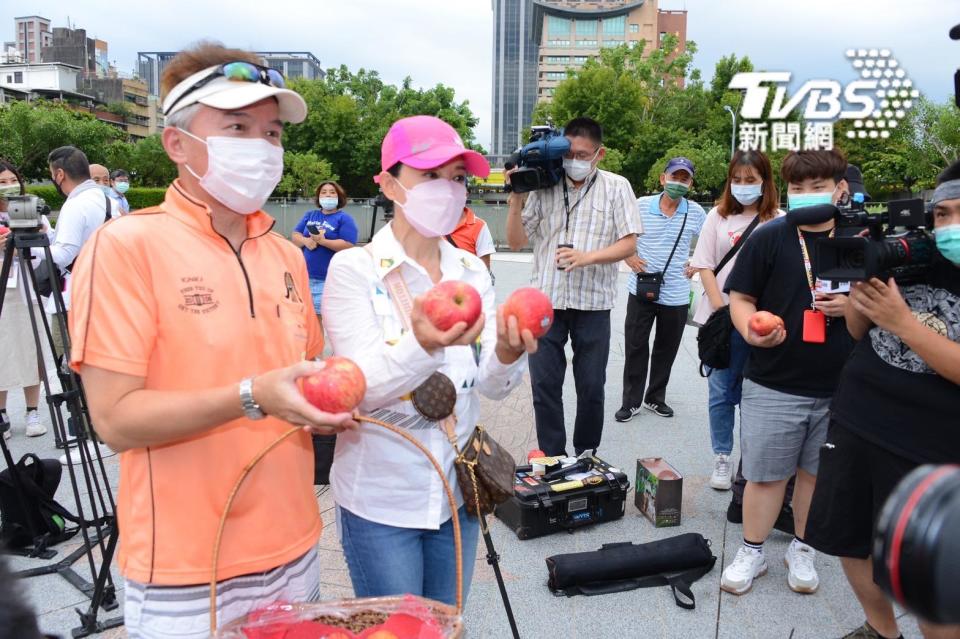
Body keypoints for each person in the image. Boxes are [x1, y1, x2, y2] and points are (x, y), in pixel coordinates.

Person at [67, 42, 357, 638]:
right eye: (237, 126)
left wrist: (316, 408)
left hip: (295, 545)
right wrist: (253, 394)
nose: (262, 147)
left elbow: (296, 376)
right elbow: (116, 420)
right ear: (177, 143)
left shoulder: (285, 254)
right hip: (185, 567)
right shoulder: (124, 248)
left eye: (273, 133)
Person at [323, 115, 537, 605]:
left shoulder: (469, 271)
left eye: (458, 178)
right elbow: (358, 385)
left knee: (448, 622)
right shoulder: (354, 270)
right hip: (380, 498)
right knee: (397, 631)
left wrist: (506, 353)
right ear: (389, 183)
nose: (448, 189)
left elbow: (489, 385)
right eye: (430, 175)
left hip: (456, 493)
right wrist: (425, 343)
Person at [805, 162, 960, 639]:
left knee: (930, 571)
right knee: (848, 542)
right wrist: (860, 298)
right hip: (858, 417)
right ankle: (881, 629)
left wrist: (903, 323)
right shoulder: (911, 256)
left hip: (933, 446)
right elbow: (857, 334)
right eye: (942, 214)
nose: (948, 226)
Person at [720, 148, 854, 597]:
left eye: (817, 187)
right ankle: (752, 550)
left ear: (840, 189)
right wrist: (750, 332)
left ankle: (803, 547)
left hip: (841, 385)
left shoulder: (858, 240)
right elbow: (741, 298)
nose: (805, 196)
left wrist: (855, 307)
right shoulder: (770, 236)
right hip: (774, 379)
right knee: (765, 474)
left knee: (817, 475)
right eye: (797, 188)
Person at [505, 117, 642, 456]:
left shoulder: (617, 186)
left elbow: (629, 245)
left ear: (599, 154)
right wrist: (515, 199)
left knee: (592, 385)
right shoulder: (543, 184)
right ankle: (553, 456)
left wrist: (588, 257)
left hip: (593, 302)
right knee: (545, 385)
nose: (574, 161)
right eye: (569, 153)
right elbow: (517, 242)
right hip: (545, 301)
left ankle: (586, 453)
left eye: (583, 155)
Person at [689, 150, 782, 490]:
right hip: (721, 321)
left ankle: (750, 460)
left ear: (765, 183)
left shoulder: (778, 220)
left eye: (751, 181)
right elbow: (705, 265)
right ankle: (722, 455)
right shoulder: (718, 216)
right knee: (721, 391)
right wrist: (722, 311)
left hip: (761, 323)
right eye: (737, 180)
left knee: (755, 393)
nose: (743, 186)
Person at [617, 157, 705, 422]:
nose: (678, 183)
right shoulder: (641, 205)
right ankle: (630, 402)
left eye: (684, 179)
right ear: (662, 178)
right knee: (635, 346)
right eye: (674, 177)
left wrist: (697, 264)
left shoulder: (696, 212)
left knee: (666, 348)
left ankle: (655, 398)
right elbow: (620, 233)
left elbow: (710, 243)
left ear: (690, 183)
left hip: (676, 293)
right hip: (641, 288)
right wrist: (629, 256)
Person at [46, 148, 115, 464]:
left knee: (76, 366)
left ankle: (90, 435)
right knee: (104, 364)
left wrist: (36, 249)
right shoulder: (110, 200)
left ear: (59, 174)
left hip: (79, 298)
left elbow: (62, 254)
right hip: (110, 294)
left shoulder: (75, 206)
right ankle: (108, 430)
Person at [0, 160, 50, 439]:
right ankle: (2, 413)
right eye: (3, 182)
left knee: (32, 350)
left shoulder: (34, 210)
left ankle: (33, 411)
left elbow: (48, 250)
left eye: (12, 180)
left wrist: (36, 242)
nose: (9, 186)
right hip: (3, 293)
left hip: (27, 290)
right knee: (2, 352)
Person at [291, 181, 358, 331]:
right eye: (324, 192)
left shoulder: (344, 219)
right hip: (306, 277)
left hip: (329, 280)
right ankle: (315, 354)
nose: (328, 195)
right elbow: (295, 235)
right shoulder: (310, 215)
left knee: (327, 323)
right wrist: (306, 241)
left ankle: (329, 354)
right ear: (318, 197)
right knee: (310, 322)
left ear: (339, 196)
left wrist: (323, 241)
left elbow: (348, 245)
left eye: (332, 192)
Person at [448, 206, 496, 270]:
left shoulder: (479, 225)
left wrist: (460, 258)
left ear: (466, 195)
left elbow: (484, 268)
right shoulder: (432, 225)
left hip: (465, 279)